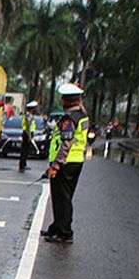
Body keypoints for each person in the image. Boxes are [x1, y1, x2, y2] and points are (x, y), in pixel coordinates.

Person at [43, 82, 89, 243]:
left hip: (65, 163)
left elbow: (66, 143)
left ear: (66, 101)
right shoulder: (82, 115)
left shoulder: (68, 119)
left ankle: (64, 232)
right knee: (65, 196)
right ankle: (57, 227)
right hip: (76, 161)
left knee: (61, 198)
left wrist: (56, 165)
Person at [21, 100, 40, 171]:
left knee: (25, 150)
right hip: (27, 133)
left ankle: (23, 164)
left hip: (26, 133)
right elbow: (27, 126)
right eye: (35, 108)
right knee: (25, 150)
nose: (36, 109)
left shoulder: (28, 115)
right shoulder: (29, 115)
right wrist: (29, 136)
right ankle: (23, 165)